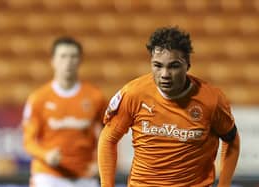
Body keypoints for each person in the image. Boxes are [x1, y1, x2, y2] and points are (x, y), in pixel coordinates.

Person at [98, 27, 240, 187]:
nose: (164, 74)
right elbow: (108, 138)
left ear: (188, 64)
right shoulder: (133, 94)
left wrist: (224, 184)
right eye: (158, 66)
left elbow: (232, 140)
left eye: (173, 66)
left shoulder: (212, 99)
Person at [22, 37, 106, 187]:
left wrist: (101, 163)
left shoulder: (95, 97)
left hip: (84, 175)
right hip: (48, 175)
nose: (68, 62)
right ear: (53, 61)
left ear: (80, 61)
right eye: (63, 56)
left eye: (73, 56)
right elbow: (28, 141)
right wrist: (45, 155)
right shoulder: (39, 99)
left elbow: (110, 134)